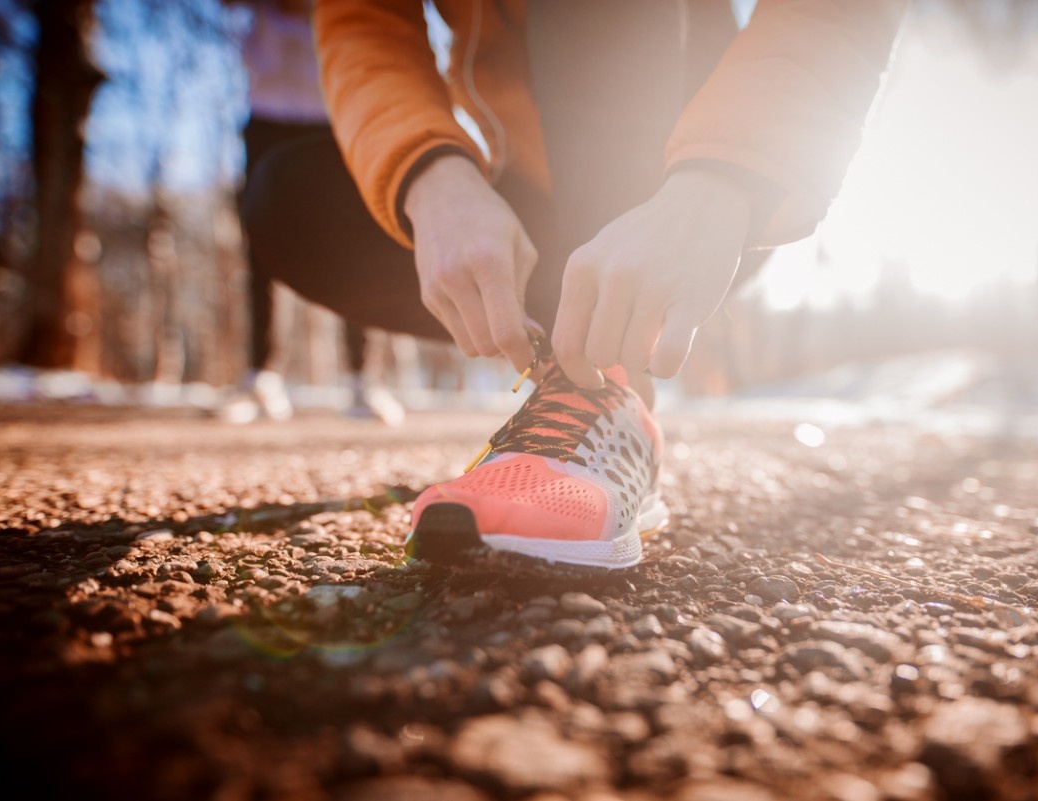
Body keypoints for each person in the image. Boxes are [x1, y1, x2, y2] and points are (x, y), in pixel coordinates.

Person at [244, 0, 907, 567]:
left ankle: (610, 392)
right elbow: (361, 19)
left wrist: (724, 178)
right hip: (529, 209)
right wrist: (428, 173)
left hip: (696, 199)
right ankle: (570, 380)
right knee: (287, 197)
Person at [222, 0, 405, 426]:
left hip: (336, 117)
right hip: (266, 117)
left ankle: (363, 380)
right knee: (259, 250)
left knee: (358, 247)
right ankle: (262, 378)